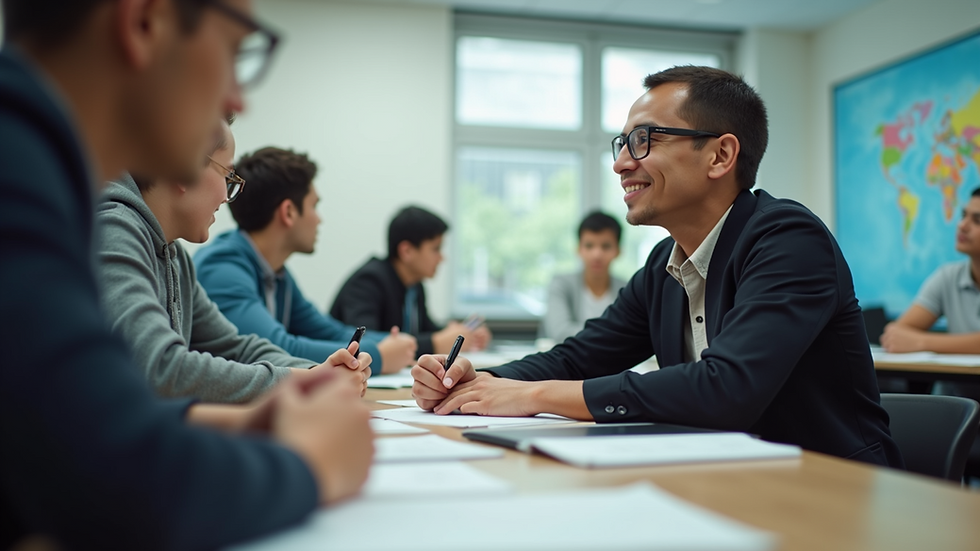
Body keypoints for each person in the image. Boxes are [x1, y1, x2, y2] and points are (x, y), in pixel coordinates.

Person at [0, 0, 372, 548]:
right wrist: (312, 464)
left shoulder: (43, 170)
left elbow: (78, 428)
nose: (236, 99)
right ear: (144, 22)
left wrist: (251, 419)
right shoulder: (25, 177)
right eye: (233, 51)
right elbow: (124, 478)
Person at [411, 66, 903, 468]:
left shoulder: (788, 240)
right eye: (621, 143)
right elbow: (577, 358)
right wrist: (476, 383)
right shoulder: (662, 266)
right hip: (721, 476)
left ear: (720, 155)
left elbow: (727, 389)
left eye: (644, 139)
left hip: (828, 489)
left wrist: (534, 395)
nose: (622, 163)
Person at [98, 123, 372, 403]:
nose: (226, 197)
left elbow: (236, 348)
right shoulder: (112, 231)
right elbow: (162, 368)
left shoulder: (175, 257)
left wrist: (317, 373)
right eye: (228, 176)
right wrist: (304, 383)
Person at [195, 146, 418, 375]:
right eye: (314, 206)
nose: (319, 219)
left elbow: (326, 330)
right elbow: (277, 347)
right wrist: (378, 355)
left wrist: (395, 342)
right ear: (289, 212)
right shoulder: (222, 267)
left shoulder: (277, 273)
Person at [330, 205, 492, 355]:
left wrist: (460, 335)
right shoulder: (368, 282)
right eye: (436, 249)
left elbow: (426, 330)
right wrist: (436, 343)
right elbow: (364, 342)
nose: (442, 258)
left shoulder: (415, 285)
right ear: (407, 251)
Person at [881, 186, 980, 398]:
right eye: (963, 216)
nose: (962, 226)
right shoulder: (948, 277)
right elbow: (896, 334)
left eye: (977, 220)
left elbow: (910, 339)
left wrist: (921, 342)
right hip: (954, 407)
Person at [542, 211, 627, 342]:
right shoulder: (561, 284)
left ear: (618, 251)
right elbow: (560, 332)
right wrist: (612, 333)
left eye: (606, 246)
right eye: (589, 246)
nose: (597, 255)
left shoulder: (626, 289)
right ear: (578, 249)